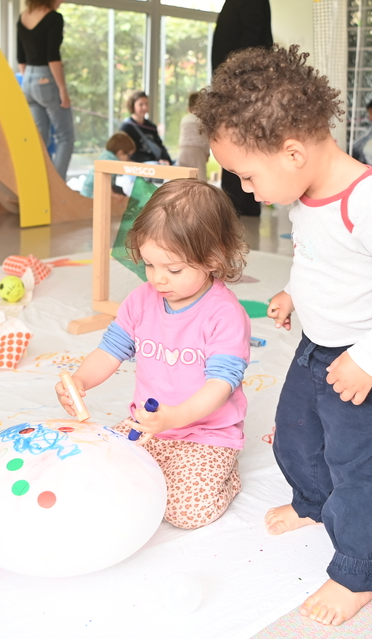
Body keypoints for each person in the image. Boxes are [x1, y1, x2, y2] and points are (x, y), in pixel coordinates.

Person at [198, 44, 372, 626]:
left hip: (371, 359)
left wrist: (371, 358)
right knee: (296, 438)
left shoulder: (370, 202)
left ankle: (357, 571)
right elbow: (316, 257)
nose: (246, 190)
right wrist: (293, 293)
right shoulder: (305, 189)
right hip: (318, 346)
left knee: (363, 468)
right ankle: (312, 502)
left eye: (247, 176)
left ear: (293, 151)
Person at [55, 179, 251, 530]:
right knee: (98, 472)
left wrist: (175, 417)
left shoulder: (225, 315)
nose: (158, 279)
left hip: (205, 435)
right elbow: (110, 351)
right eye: (149, 265)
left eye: (173, 269)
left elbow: (220, 385)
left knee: (185, 513)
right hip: (147, 426)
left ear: (212, 258)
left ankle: (227, 476)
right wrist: (81, 381)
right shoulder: (141, 300)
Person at [201, 0, 273, 217]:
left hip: (244, 85)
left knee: (240, 140)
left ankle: (240, 203)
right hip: (235, 85)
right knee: (233, 140)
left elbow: (252, 37)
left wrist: (237, 80)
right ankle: (234, 203)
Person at [18, 0, 74, 179]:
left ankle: (37, 185)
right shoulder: (53, 18)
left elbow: (21, 59)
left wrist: (30, 79)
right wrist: (62, 89)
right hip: (46, 80)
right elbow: (53, 57)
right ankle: (57, 188)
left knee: (40, 140)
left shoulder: (23, 17)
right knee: (65, 137)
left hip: (28, 81)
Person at [120, 90, 171, 165]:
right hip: (136, 166)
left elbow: (159, 146)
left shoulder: (151, 126)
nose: (144, 107)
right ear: (133, 105)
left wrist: (166, 160)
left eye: (146, 104)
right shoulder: (127, 127)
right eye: (141, 104)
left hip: (154, 164)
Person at [80, 131, 136, 199]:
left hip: (86, 193)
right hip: (91, 196)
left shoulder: (106, 155)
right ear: (120, 153)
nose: (128, 159)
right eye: (129, 156)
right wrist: (114, 195)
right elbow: (104, 183)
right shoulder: (111, 161)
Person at [176, 92, 210, 172]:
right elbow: (206, 139)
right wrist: (207, 153)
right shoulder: (202, 120)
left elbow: (182, 137)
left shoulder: (184, 119)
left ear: (189, 107)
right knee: (200, 179)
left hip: (183, 151)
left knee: (182, 178)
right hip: (197, 151)